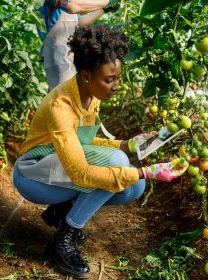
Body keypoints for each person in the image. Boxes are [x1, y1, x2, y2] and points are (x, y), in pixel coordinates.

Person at [13, 24, 188, 279]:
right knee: (121, 168)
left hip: (58, 166)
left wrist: (126, 144)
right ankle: (63, 239)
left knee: (133, 187)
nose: (116, 85)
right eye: (110, 79)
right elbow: (82, 172)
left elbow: (84, 142)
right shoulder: (60, 106)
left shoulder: (90, 96)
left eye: (117, 78)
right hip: (32, 175)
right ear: (86, 75)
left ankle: (61, 212)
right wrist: (146, 172)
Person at [35, 0, 119, 90]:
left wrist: (105, 9)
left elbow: (80, 22)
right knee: (63, 95)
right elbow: (73, 7)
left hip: (69, 49)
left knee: (73, 95)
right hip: (56, 49)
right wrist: (106, 1)